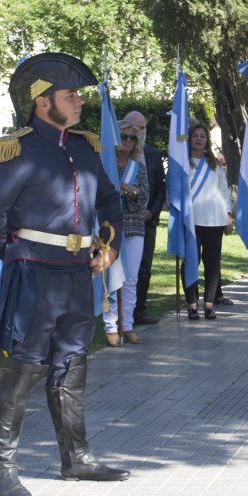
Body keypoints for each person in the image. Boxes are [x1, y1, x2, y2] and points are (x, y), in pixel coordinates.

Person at [0, 52, 130, 496]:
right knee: (23, 367)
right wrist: (21, 255)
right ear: (43, 102)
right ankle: (3, 472)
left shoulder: (83, 146)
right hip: (35, 278)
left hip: (78, 275)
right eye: (70, 95)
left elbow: (110, 203)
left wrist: (108, 246)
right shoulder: (15, 150)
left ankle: (76, 458)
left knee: (72, 363)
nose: (79, 101)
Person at [103, 118, 149, 345]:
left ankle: (127, 324)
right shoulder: (107, 166)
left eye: (133, 138)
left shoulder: (138, 167)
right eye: (124, 137)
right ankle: (111, 325)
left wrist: (132, 191)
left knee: (130, 277)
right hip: (110, 226)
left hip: (133, 224)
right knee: (112, 276)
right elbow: (101, 193)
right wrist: (119, 189)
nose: (129, 141)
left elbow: (145, 194)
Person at [184, 119, 233, 321]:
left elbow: (223, 192)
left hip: (214, 220)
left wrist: (228, 216)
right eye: (195, 136)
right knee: (190, 263)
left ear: (207, 140)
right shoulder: (183, 163)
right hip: (191, 221)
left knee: (212, 264)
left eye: (202, 136)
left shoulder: (214, 165)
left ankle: (210, 304)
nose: (198, 140)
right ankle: (192, 304)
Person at [123, 111, 166, 327]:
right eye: (134, 129)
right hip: (124, 221)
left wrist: (152, 212)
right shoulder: (119, 155)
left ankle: (138, 310)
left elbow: (160, 187)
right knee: (125, 269)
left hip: (147, 220)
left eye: (142, 128)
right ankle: (121, 316)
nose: (139, 133)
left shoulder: (153, 154)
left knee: (144, 268)